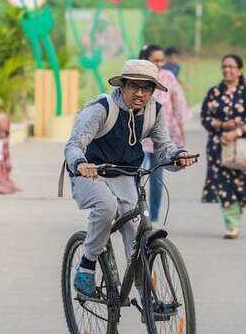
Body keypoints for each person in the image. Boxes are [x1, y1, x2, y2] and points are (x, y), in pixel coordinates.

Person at [65, 59, 197, 297]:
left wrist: (179, 156)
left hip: (126, 176)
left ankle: (147, 294)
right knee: (106, 206)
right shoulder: (102, 108)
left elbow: (163, 148)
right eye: (134, 86)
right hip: (90, 174)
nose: (140, 93)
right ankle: (87, 264)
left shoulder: (155, 111)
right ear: (122, 86)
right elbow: (74, 145)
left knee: (137, 232)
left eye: (146, 88)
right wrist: (81, 164)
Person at [200, 54, 246, 239]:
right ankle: (232, 225)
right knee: (224, 186)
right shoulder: (214, 92)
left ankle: (236, 215)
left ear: (239, 70)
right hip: (218, 146)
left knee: (242, 186)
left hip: (242, 146)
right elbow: (205, 118)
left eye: (231, 67)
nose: (227, 70)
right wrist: (223, 126)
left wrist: (236, 132)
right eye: (224, 66)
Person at [139, 44, 193, 222]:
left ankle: (152, 219)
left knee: (156, 178)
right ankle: (131, 216)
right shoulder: (137, 78)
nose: (160, 63)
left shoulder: (168, 77)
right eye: (156, 60)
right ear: (146, 59)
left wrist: (181, 131)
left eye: (162, 60)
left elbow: (178, 103)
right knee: (133, 177)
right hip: (137, 137)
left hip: (161, 137)